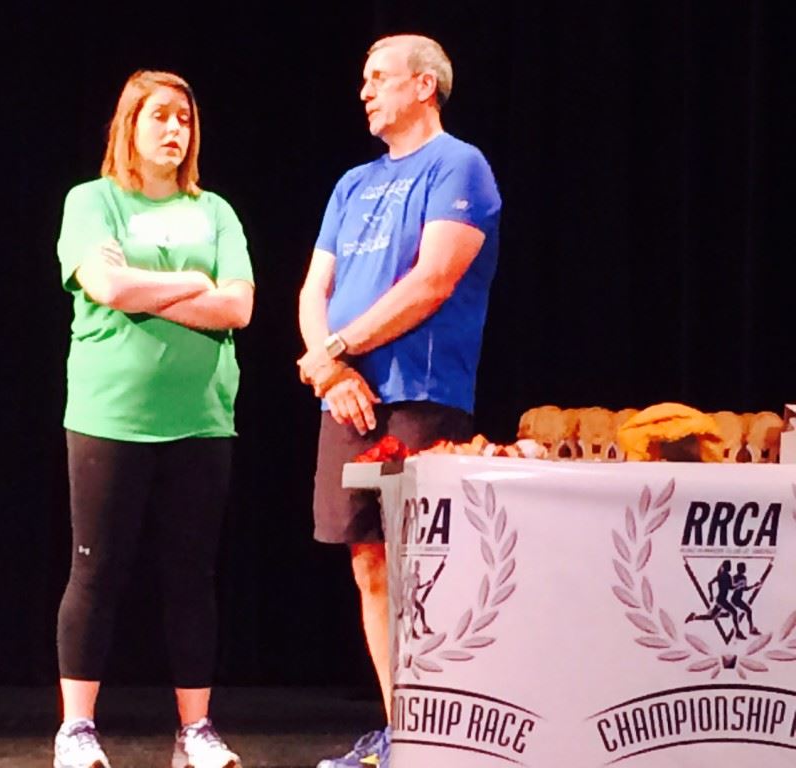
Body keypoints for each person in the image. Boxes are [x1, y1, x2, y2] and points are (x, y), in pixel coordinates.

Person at [297, 34, 501, 768]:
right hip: (346, 398)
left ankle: (440, 735)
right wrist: (331, 371)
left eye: (378, 78)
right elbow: (313, 290)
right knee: (370, 565)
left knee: (426, 568)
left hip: (421, 391)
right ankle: (398, 732)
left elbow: (433, 280)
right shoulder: (351, 184)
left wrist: (338, 350)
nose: (364, 90)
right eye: (363, 79)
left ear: (424, 85)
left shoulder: (460, 165)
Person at [53, 70, 254, 768]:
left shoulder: (216, 213)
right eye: (161, 116)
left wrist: (146, 291)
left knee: (190, 576)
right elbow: (103, 284)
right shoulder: (94, 202)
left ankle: (194, 730)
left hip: (201, 420)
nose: (175, 130)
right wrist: (195, 283)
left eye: (186, 119)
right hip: (110, 418)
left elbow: (239, 308)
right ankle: (77, 730)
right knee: (96, 570)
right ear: (129, 127)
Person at [685, 559, 745, 640]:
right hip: (722, 600)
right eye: (728, 565)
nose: (730, 567)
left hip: (720, 599)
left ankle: (693, 617)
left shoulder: (723, 575)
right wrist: (739, 585)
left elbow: (712, 584)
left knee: (712, 616)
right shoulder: (725, 576)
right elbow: (730, 587)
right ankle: (737, 632)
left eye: (730, 565)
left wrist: (711, 595)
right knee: (734, 612)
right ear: (725, 566)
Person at [730, 562, 763, 636]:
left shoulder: (744, 578)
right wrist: (738, 585)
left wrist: (754, 586)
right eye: (743, 567)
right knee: (737, 613)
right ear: (739, 569)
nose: (745, 569)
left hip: (738, 599)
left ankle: (750, 629)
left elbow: (745, 589)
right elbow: (732, 587)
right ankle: (739, 631)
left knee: (748, 611)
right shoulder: (734, 577)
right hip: (735, 599)